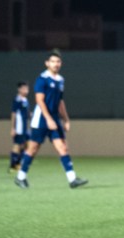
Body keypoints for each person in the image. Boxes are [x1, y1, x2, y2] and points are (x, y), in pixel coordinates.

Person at [15, 51, 88, 189]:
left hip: (54, 119)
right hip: (41, 119)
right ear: (47, 63)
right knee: (33, 149)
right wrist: (48, 119)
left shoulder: (60, 80)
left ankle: (72, 179)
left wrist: (66, 119)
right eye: (53, 61)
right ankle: (20, 177)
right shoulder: (42, 79)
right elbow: (39, 100)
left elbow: (60, 101)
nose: (56, 64)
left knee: (63, 147)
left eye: (58, 61)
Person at [10, 81, 30, 172]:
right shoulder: (17, 100)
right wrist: (13, 128)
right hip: (19, 127)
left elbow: (26, 113)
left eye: (27, 88)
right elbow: (14, 114)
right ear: (19, 89)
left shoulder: (25, 100)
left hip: (25, 127)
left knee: (27, 145)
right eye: (24, 88)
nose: (26, 90)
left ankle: (17, 163)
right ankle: (13, 165)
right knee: (17, 145)